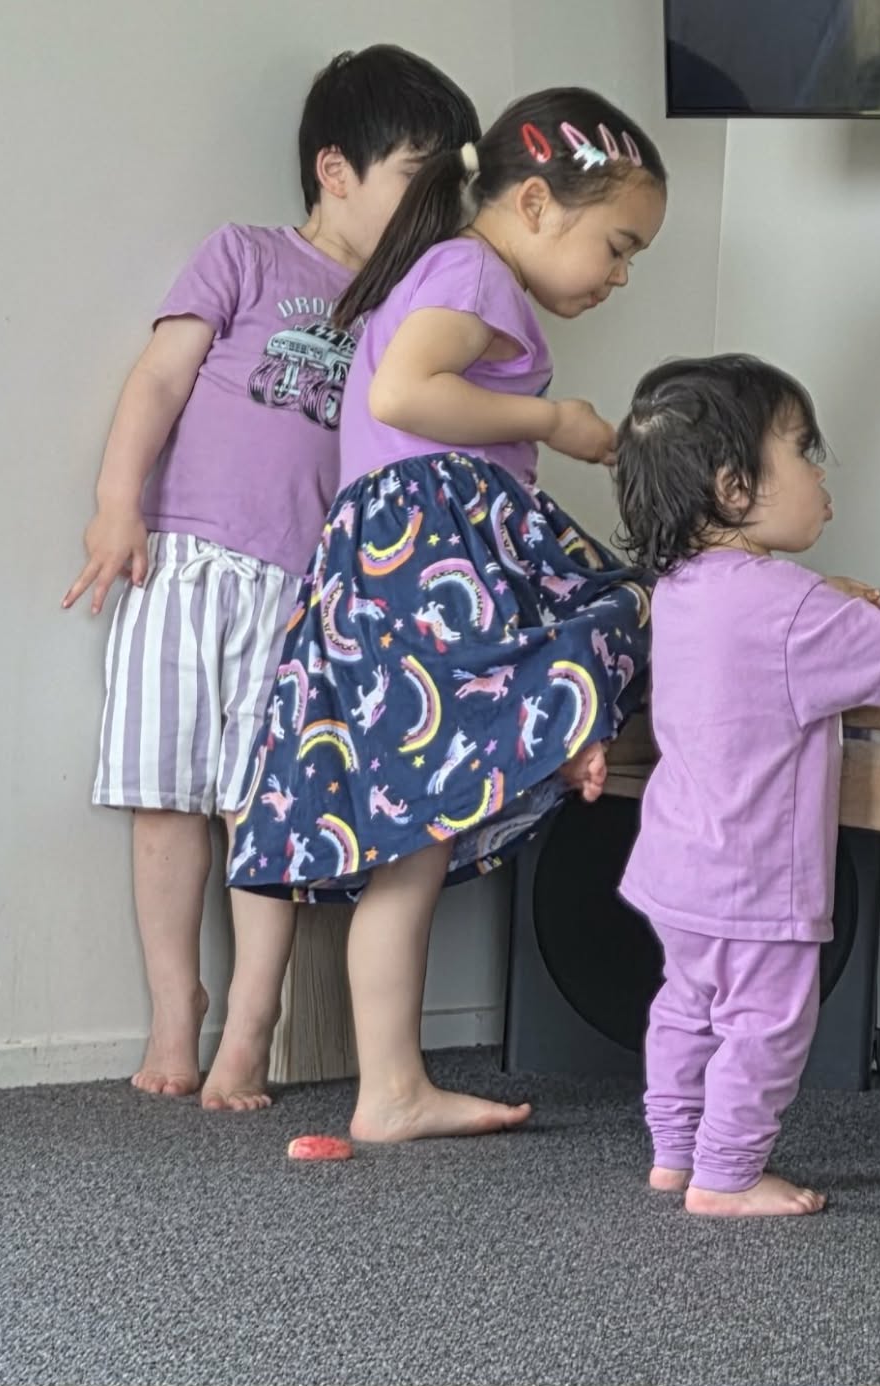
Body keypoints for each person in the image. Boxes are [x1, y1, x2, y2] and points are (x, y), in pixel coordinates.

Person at [226, 88, 667, 1143]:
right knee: (627, 609)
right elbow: (405, 397)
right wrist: (553, 420)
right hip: (424, 554)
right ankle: (568, 732)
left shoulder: (443, 268)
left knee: (408, 844)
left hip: (393, 562)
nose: (618, 275)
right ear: (531, 204)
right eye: (615, 246)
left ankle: (390, 1090)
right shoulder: (471, 270)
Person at [64, 47, 478, 1110]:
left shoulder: (412, 308)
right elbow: (159, 375)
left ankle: (254, 1020)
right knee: (164, 798)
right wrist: (118, 503)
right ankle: (176, 1009)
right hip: (186, 564)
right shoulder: (245, 256)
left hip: (305, 595)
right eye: (415, 180)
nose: (434, 207)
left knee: (269, 811)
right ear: (335, 170)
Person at [612, 355, 880, 1215]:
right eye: (804, 450)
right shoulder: (790, 608)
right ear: (734, 486)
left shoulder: (682, 587)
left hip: (679, 862)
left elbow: (772, 629)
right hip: (754, 876)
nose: (821, 472)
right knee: (768, 1024)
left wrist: (821, 595)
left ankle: (674, 1153)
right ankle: (729, 1175)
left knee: (687, 1006)